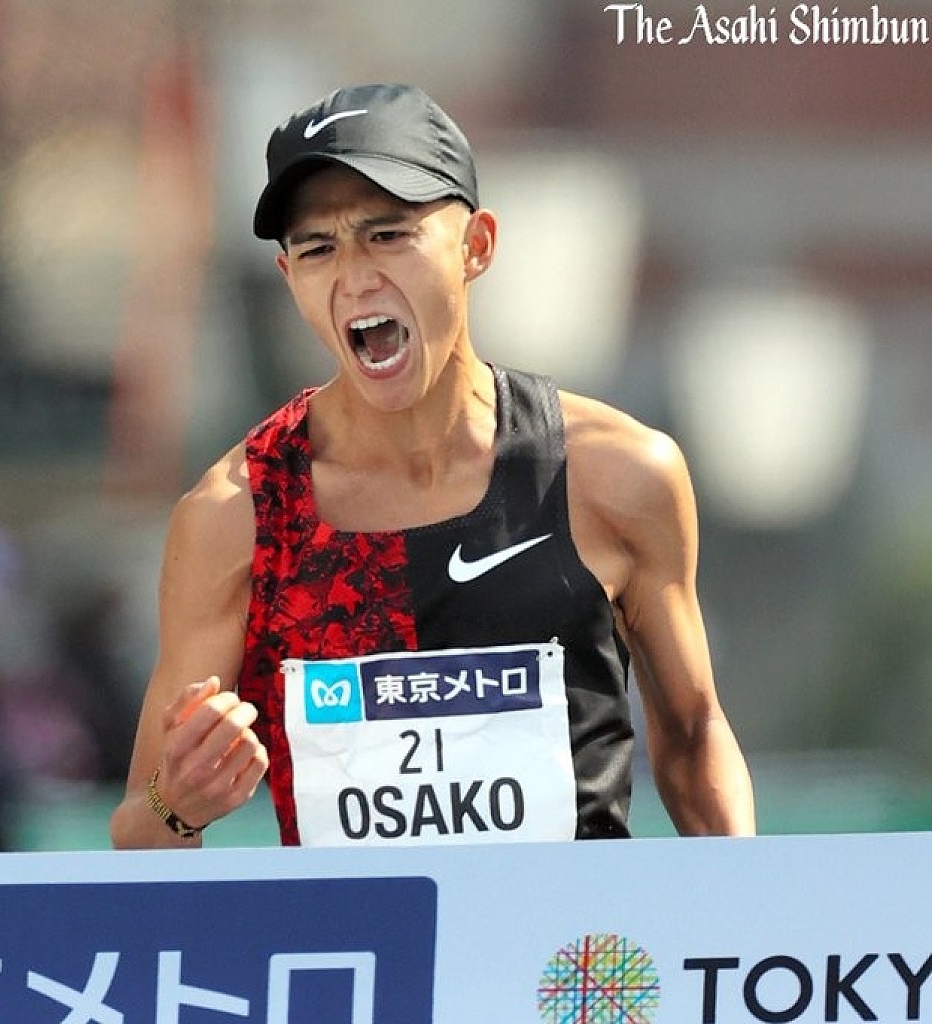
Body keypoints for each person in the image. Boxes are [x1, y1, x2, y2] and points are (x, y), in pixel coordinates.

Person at [110, 82, 755, 850]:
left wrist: (750, 905)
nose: (354, 276)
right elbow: (141, 828)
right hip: (365, 930)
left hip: (571, 930)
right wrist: (178, 803)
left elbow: (692, 735)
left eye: (388, 234)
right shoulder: (236, 515)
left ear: (476, 245)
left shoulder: (613, 473)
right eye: (317, 249)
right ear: (288, 277)